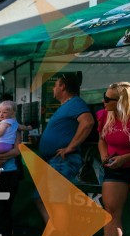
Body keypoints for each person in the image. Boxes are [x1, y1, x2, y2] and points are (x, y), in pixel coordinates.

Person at [35, 73, 95, 227]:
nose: (53, 89)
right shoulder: (66, 106)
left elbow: (87, 122)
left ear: (62, 87)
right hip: (55, 160)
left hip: (63, 160)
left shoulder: (75, 103)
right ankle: (55, 235)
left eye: (55, 85)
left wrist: (71, 146)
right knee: (42, 198)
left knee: (55, 201)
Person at [93, 82, 130, 236]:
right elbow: (102, 139)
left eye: (108, 99)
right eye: (104, 97)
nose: (103, 101)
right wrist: (105, 156)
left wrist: (125, 159)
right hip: (115, 167)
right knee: (110, 211)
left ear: (123, 101)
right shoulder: (104, 115)